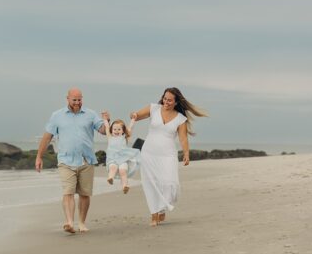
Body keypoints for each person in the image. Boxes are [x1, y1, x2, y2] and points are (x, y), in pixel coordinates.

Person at [128, 87, 207, 226]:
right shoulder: (153, 108)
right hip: (149, 153)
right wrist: (133, 115)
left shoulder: (180, 119)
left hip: (168, 155)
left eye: (170, 100)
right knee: (151, 183)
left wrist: (186, 154)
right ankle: (154, 215)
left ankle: (163, 207)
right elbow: (137, 116)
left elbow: (183, 138)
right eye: (165, 98)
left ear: (176, 102)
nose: (166, 102)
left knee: (170, 184)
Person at [35, 88, 110, 233]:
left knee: (85, 194)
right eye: (74, 100)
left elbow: (102, 130)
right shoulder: (57, 116)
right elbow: (47, 137)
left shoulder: (90, 114)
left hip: (86, 160)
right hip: (66, 160)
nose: (77, 103)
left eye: (79, 99)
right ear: (67, 99)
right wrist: (39, 156)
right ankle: (69, 222)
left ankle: (81, 223)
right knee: (68, 192)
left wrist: (107, 121)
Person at [103, 118, 140, 194]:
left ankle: (125, 186)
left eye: (119, 129)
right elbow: (107, 127)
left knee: (123, 172)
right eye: (115, 129)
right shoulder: (110, 137)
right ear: (111, 130)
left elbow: (130, 128)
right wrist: (105, 119)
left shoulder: (125, 138)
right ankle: (110, 178)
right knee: (113, 168)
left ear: (123, 131)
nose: (116, 131)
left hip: (123, 160)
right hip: (112, 160)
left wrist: (133, 119)